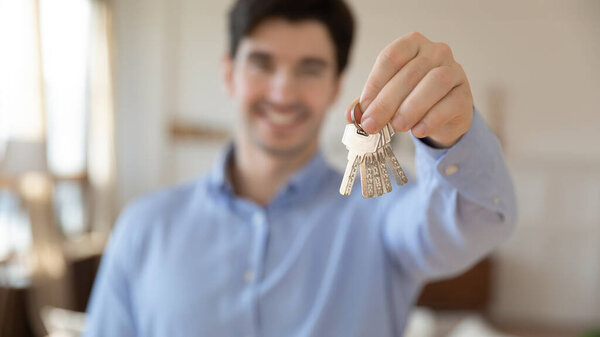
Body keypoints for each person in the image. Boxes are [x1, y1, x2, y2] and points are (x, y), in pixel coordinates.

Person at [84, 0, 516, 336]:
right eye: (262, 64)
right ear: (229, 72)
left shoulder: (383, 217)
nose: (282, 91)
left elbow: (478, 222)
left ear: (335, 87)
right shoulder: (143, 226)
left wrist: (452, 137)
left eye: (310, 70)